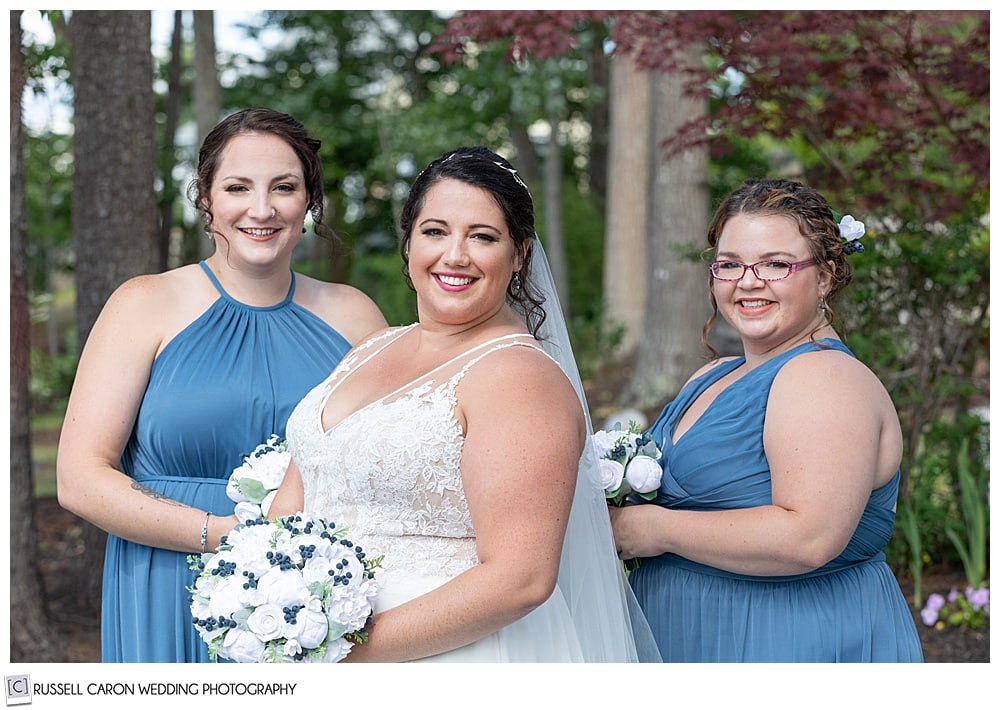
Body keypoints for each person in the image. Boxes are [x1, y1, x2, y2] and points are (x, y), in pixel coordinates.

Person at [269, 146, 659, 662]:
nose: (455, 255)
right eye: (435, 231)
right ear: (408, 242)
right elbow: (301, 493)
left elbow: (520, 579)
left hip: (447, 659)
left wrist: (338, 655)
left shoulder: (519, 378)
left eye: (483, 237)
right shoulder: (372, 346)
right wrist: (261, 601)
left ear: (518, 254)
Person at [56, 107, 388, 663]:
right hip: (167, 577)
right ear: (205, 198)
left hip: (312, 597)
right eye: (238, 187)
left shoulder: (355, 316)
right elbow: (80, 479)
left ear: (308, 201)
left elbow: (389, 467)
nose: (262, 209)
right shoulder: (143, 305)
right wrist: (230, 535)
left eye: (284, 187)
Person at [610, 177, 924, 662]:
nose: (748, 281)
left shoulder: (823, 378)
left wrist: (651, 529)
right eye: (730, 264)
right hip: (687, 634)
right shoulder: (714, 373)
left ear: (824, 276)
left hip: (782, 639)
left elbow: (809, 537)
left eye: (776, 264)